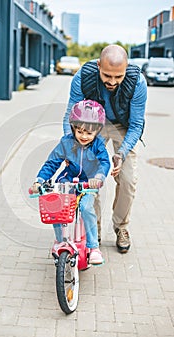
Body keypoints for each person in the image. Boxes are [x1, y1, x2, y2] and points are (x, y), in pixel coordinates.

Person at [63, 44, 147, 253]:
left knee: (127, 180)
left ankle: (121, 227)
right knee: (91, 176)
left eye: (118, 77)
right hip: (93, 124)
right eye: (107, 75)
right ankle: (94, 230)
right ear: (99, 65)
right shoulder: (83, 77)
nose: (112, 82)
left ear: (126, 70)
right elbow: (70, 116)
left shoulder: (138, 82)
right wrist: (70, 147)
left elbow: (137, 125)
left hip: (123, 126)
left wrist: (121, 154)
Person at [31, 100, 111, 264]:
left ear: (97, 132)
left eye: (89, 133)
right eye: (80, 131)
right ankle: (61, 240)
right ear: (73, 127)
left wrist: (98, 178)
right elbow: (52, 162)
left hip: (88, 184)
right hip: (67, 181)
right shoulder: (66, 142)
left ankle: (94, 247)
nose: (83, 136)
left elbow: (104, 163)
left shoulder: (98, 145)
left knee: (86, 208)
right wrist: (40, 181)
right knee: (57, 209)